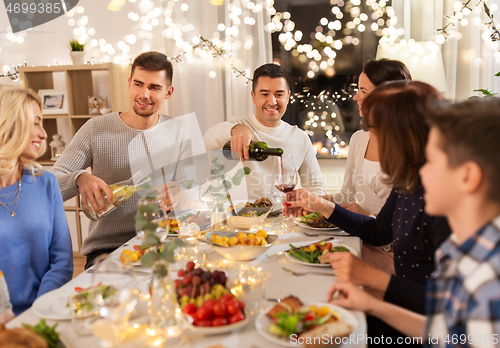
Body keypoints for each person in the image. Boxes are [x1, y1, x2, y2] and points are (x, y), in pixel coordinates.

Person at [327, 97, 500, 346]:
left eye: (430, 161)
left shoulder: (488, 282)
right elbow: (446, 331)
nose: (421, 172)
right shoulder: (460, 250)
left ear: (468, 176)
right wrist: (371, 305)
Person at [286, 81, 451, 342]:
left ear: (404, 133)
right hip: (401, 308)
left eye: (374, 129)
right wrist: (320, 204)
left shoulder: (441, 199)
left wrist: (373, 279)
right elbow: (378, 232)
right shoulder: (408, 179)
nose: (370, 138)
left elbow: (451, 306)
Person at [50, 51, 196, 269]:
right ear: (129, 84)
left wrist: (181, 194)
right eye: (138, 84)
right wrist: (79, 178)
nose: (144, 94)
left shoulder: (179, 131)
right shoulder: (95, 129)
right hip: (108, 248)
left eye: (154, 87)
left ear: (169, 92)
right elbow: (50, 184)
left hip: (162, 243)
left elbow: (194, 197)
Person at [203, 63, 326, 200]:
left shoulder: (300, 138)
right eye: (265, 94)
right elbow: (208, 139)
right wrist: (236, 129)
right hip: (240, 218)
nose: (272, 102)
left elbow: (316, 188)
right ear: (254, 96)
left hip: (283, 219)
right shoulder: (238, 126)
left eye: (279, 94)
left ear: (288, 97)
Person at [0, 87, 73, 315]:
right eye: (36, 123)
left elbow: (62, 262)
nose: (44, 134)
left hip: (44, 313)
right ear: (11, 124)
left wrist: (38, 312)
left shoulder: (46, 183)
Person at [330, 58, 412, 216]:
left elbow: (409, 219)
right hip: (360, 238)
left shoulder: (412, 148)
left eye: (363, 91)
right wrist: (312, 200)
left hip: (390, 240)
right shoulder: (359, 140)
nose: (355, 97)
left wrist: (369, 217)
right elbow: (347, 195)